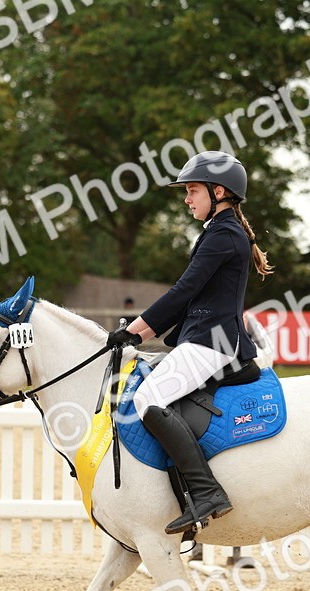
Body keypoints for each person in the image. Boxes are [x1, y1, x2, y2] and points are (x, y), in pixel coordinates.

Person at [106, 151, 272, 536]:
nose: (186, 199)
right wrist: (139, 335)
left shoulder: (225, 234)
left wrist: (135, 328)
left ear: (219, 192)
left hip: (214, 345)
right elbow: (192, 300)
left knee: (149, 400)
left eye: (193, 191)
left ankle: (206, 492)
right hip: (202, 339)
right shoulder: (219, 232)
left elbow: (184, 291)